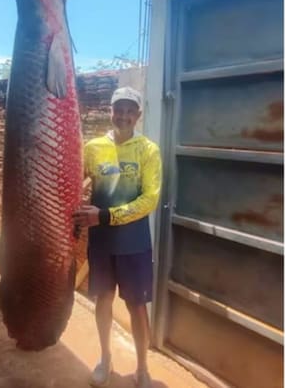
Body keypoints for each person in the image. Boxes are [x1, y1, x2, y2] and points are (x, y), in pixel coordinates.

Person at [72, 86, 162, 388]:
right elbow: (78, 182)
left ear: (138, 114)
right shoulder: (93, 148)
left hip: (134, 243)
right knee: (104, 300)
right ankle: (105, 358)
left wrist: (106, 216)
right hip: (102, 243)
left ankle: (142, 368)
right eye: (118, 109)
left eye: (129, 111)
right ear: (110, 111)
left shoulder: (148, 150)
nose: (123, 116)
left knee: (137, 306)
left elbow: (149, 199)